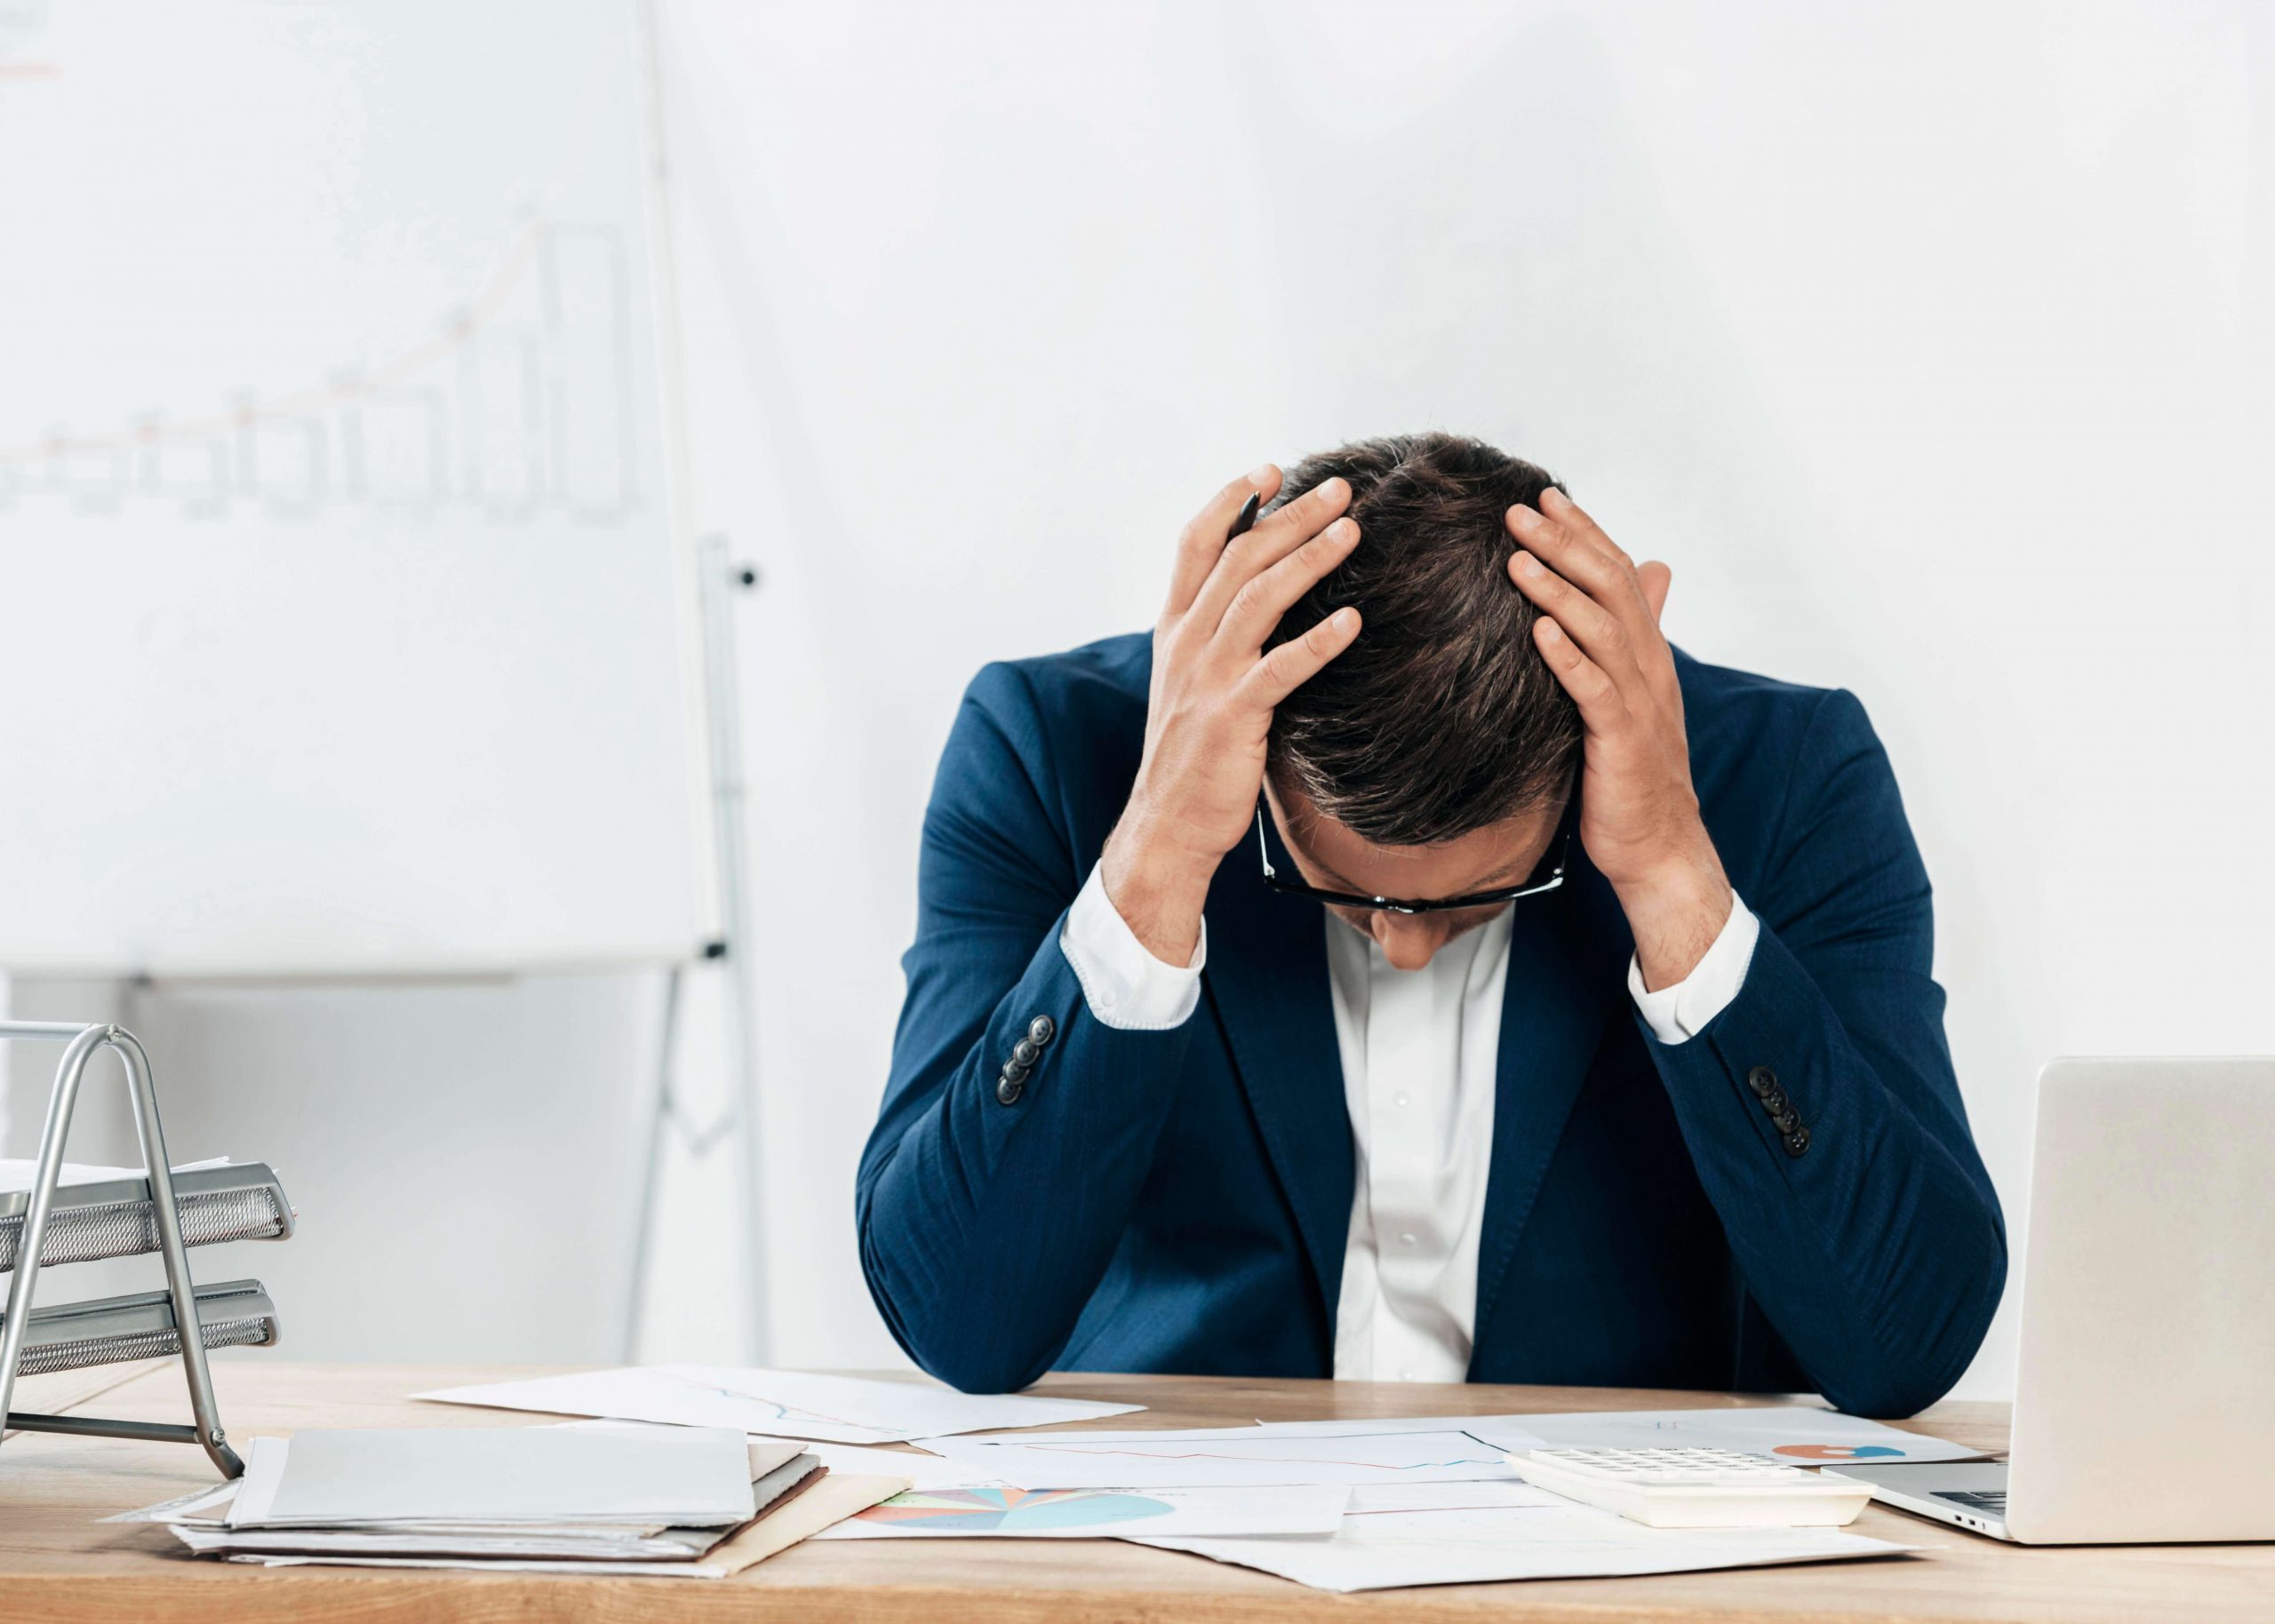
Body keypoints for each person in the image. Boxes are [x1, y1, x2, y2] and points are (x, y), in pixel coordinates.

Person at [857, 433, 2005, 1417]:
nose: (1401, 941)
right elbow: (958, 1321)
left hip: (1629, 1566)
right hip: (1194, 1552)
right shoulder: (1047, 753)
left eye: (1476, 895)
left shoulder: (1786, 778)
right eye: (1342, 889)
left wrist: (1668, 872)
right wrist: (1152, 856)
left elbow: (1903, 1345)